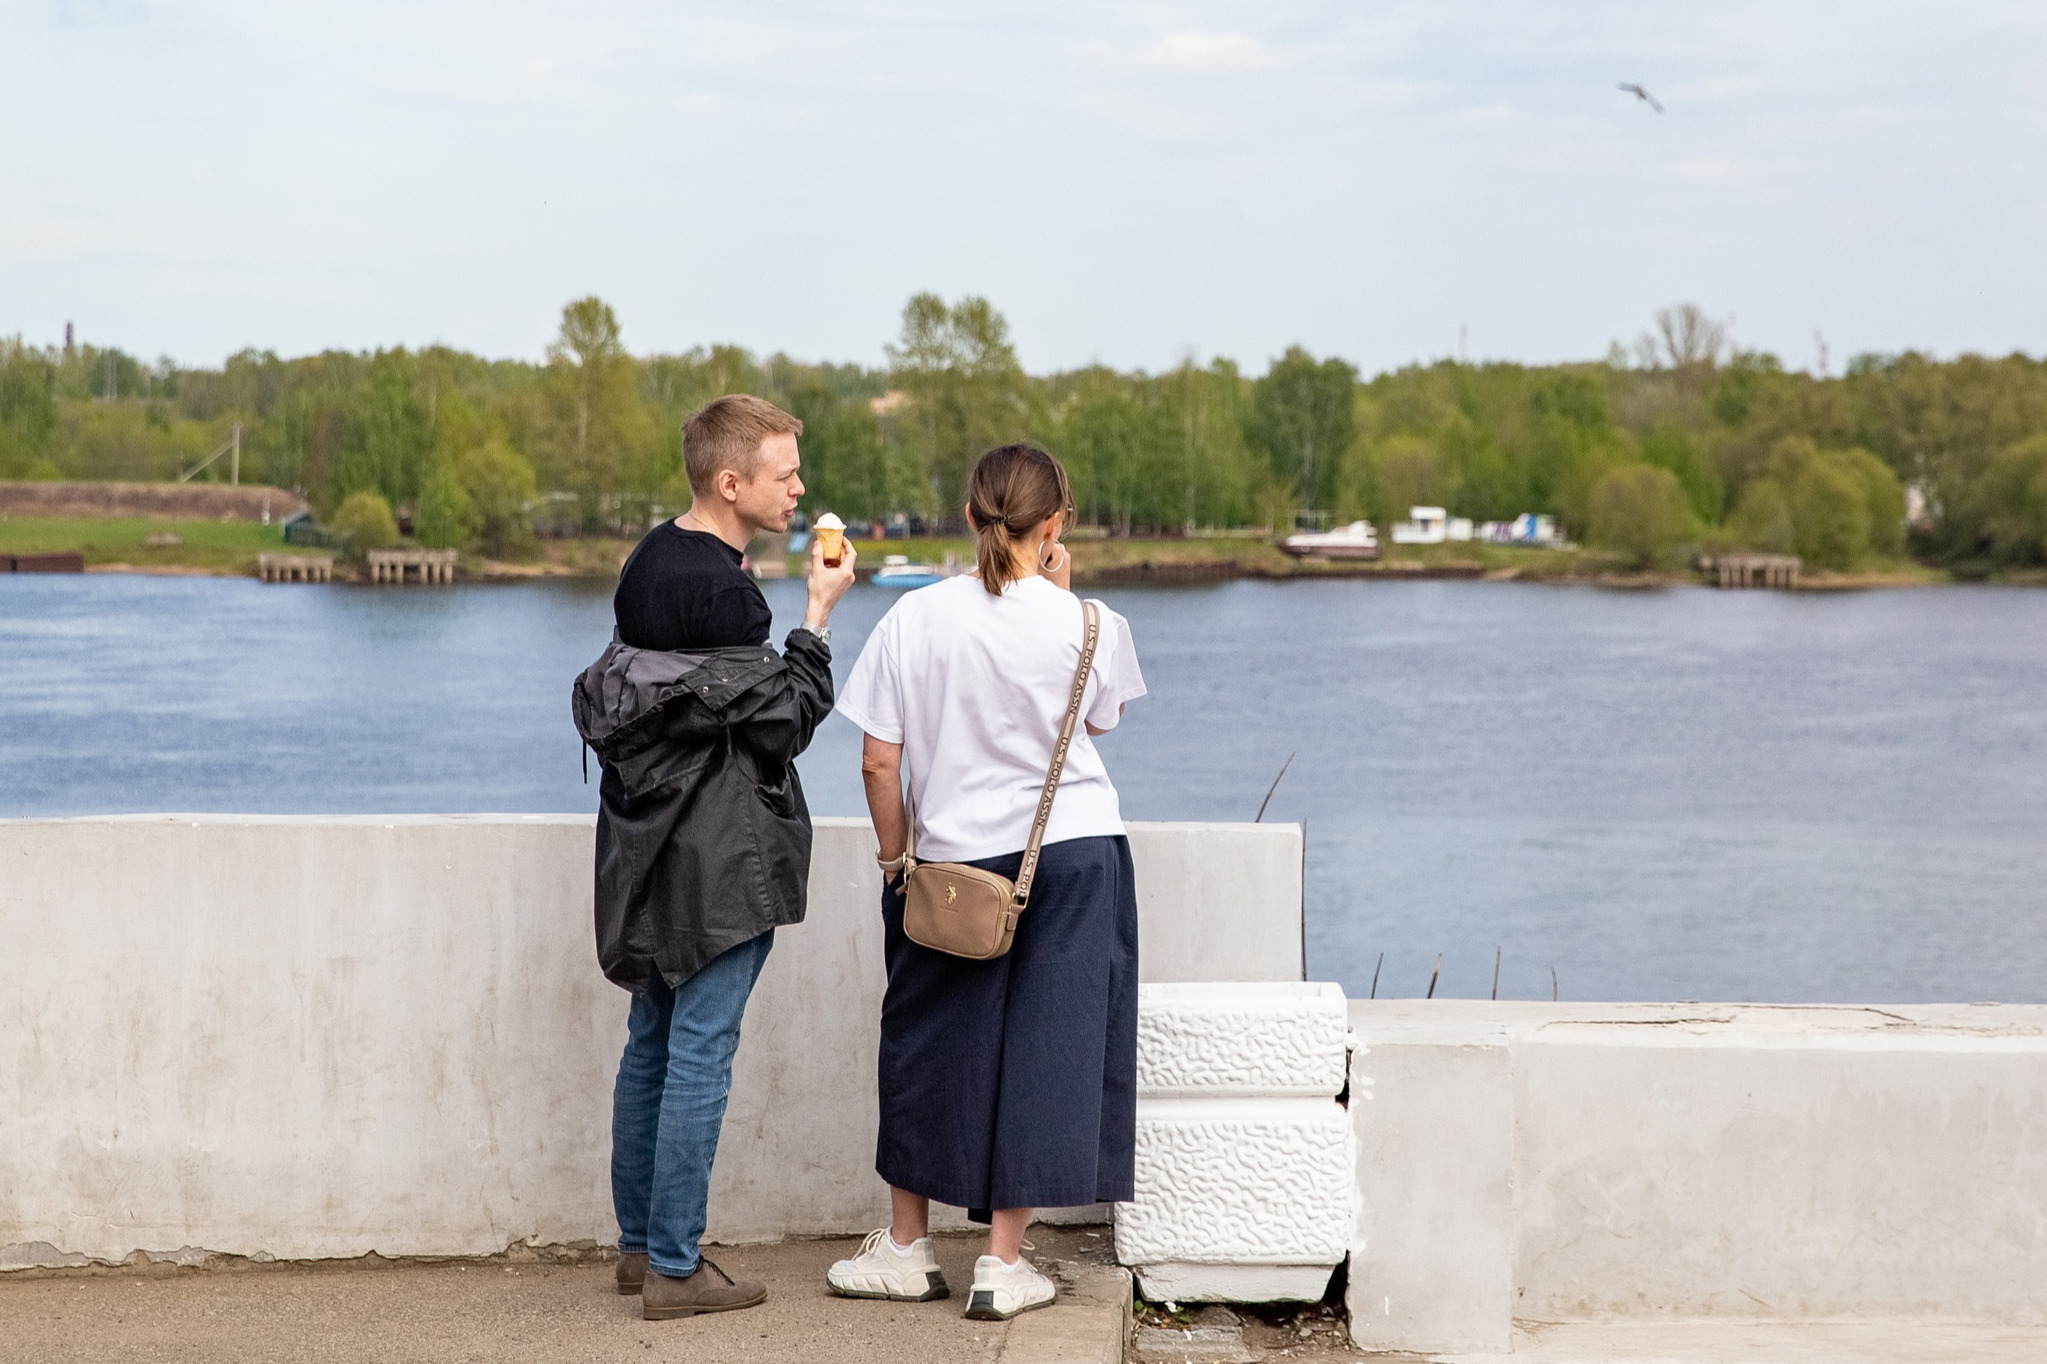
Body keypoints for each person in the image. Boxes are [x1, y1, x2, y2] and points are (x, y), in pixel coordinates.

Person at [828, 443, 1147, 1321]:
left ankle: (906, 1248)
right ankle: (1002, 1265)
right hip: (1075, 853)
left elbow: (876, 762)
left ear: (968, 516)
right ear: (1055, 525)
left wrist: (897, 861)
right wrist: (1061, 585)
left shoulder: (912, 619)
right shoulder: (1091, 624)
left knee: (926, 1041)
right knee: (1053, 1047)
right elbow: (1097, 723)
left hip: (951, 863)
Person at [571, 394, 857, 1320]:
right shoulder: (728, 596)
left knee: (651, 1041)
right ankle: (677, 1268)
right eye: (785, 474)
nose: (800, 489)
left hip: (644, 845)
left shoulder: (647, 562)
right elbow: (782, 721)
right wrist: (815, 616)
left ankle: (637, 1248)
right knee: (700, 1048)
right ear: (730, 482)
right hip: (716, 857)